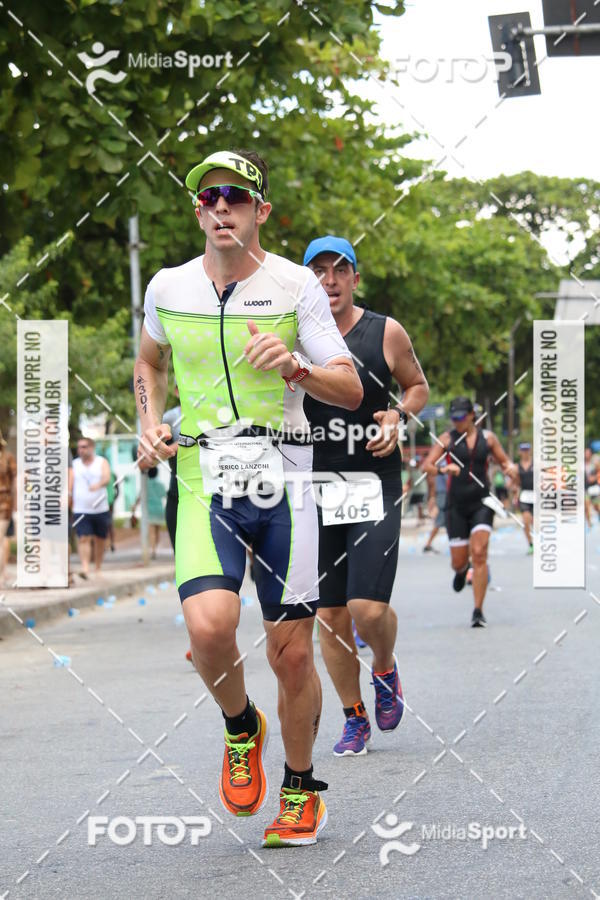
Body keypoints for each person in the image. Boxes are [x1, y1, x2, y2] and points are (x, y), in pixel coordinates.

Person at [133, 150, 363, 847]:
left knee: (291, 654)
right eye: (209, 197)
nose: (221, 206)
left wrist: (295, 364)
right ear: (198, 211)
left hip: (285, 480)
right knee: (208, 628)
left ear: (260, 209)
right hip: (204, 478)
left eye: (235, 195)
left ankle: (299, 789)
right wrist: (149, 421)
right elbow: (149, 359)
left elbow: (349, 388)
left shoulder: (298, 287)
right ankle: (241, 726)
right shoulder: (168, 287)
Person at [303, 236, 428, 757]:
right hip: (313, 485)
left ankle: (383, 666)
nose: (329, 280)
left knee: (366, 608)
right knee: (330, 617)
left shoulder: (386, 332)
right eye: (319, 272)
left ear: (355, 278)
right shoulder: (293, 334)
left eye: (340, 270)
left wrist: (398, 415)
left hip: (373, 482)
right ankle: (354, 718)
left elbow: (416, 385)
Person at [422, 397, 517, 628]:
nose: (456, 422)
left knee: (480, 552)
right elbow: (427, 465)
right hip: (456, 506)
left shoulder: (489, 439)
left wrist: (510, 469)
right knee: (458, 561)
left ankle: (478, 611)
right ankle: (461, 570)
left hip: (482, 502)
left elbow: (505, 462)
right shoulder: (448, 438)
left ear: (472, 415)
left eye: (460, 417)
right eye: (453, 417)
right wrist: (444, 468)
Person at [70, 437, 111, 579]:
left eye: (84, 447)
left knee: (100, 539)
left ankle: (98, 567)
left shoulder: (101, 462)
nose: (81, 450)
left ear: (92, 448)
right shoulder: (74, 465)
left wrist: (98, 485)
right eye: (79, 447)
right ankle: (85, 568)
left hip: (100, 508)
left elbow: (107, 478)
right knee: (83, 538)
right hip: (81, 509)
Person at [132, 467, 167, 559]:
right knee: (157, 531)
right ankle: (154, 548)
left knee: (151, 532)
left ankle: (153, 550)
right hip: (159, 510)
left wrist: (134, 507)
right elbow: (165, 496)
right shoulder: (160, 484)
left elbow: (139, 497)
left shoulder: (145, 484)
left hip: (149, 511)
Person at [0, 430, 17, 588]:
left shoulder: (8, 458)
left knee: (2, 538)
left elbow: (15, 483)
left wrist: (15, 503)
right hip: (5, 502)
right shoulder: (8, 457)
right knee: (2, 538)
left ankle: (1, 575)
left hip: (4, 503)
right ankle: (2, 574)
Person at [513, 442, 534, 553]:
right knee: (526, 521)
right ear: (520, 452)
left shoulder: (536, 464)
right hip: (525, 496)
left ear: (530, 451)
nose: (525, 452)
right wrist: (515, 496)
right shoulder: (517, 467)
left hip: (536, 495)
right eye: (523, 450)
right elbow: (516, 483)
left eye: (527, 450)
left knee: (536, 522)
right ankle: (531, 544)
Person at [423, 466, 447, 553]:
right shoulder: (444, 466)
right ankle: (428, 544)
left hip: (442, 494)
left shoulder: (438, 466)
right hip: (444, 494)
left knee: (449, 521)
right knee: (439, 521)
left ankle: (457, 545)